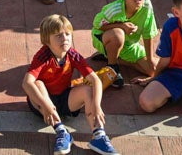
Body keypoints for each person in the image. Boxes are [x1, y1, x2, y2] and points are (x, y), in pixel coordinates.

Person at [22, 14, 119, 155]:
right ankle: (62, 132)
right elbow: (26, 83)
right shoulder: (43, 56)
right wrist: (46, 105)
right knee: (37, 83)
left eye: (67, 34)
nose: (65, 39)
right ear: (46, 40)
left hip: (65, 99)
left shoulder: (72, 54)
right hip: (42, 104)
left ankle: (99, 135)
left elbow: (96, 80)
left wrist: (97, 106)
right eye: (58, 35)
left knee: (88, 90)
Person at [91, 0, 158, 81]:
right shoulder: (113, 10)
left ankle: (113, 57)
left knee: (153, 70)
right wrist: (121, 25)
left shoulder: (147, 6)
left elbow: (148, 33)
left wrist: (150, 59)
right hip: (105, 38)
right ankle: (112, 68)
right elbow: (97, 26)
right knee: (118, 34)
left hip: (129, 45)